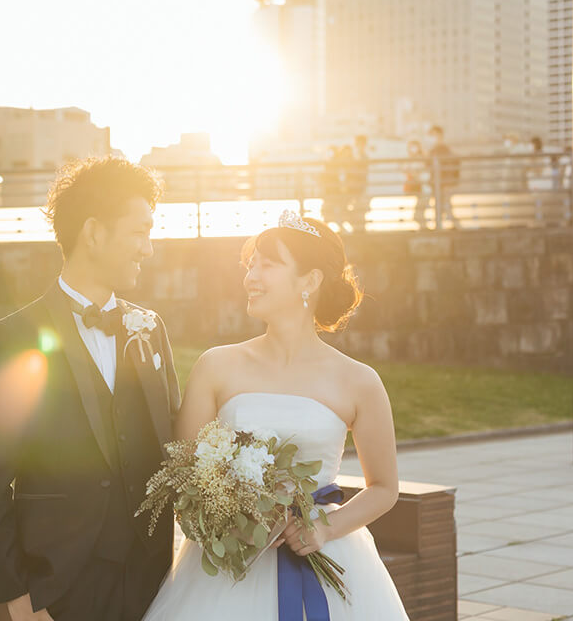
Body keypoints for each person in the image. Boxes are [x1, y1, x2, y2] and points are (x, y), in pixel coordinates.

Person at [141, 210, 409, 620]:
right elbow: (183, 473)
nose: (252, 277)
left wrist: (324, 529)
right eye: (251, 265)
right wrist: (234, 521)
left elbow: (384, 487)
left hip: (324, 551)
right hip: (226, 570)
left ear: (311, 280)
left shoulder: (359, 381)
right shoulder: (216, 366)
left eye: (268, 265)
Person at [0, 156, 182, 621]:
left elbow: (178, 448)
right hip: (58, 588)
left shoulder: (151, 328)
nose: (148, 249)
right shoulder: (16, 336)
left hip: (152, 583)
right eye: (139, 231)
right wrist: (19, 601)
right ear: (94, 232)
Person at [426, 124, 460, 229]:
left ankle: (448, 225)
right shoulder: (438, 148)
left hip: (442, 181)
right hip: (439, 181)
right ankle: (447, 224)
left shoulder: (441, 148)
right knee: (442, 203)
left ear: (439, 134)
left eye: (433, 134)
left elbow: (431, 162)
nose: (431, 136)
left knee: (443, 203)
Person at [403, 139, 429, 230]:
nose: (412, 149)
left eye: (414, 147)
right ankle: (424, 229)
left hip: (424, 189)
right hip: (421, 189)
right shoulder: (413, 159)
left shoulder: (420, 159)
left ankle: (425, 229)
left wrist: (412, 172)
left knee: (418, 214)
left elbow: (417, 173)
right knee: (418, 213)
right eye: (410, 147)